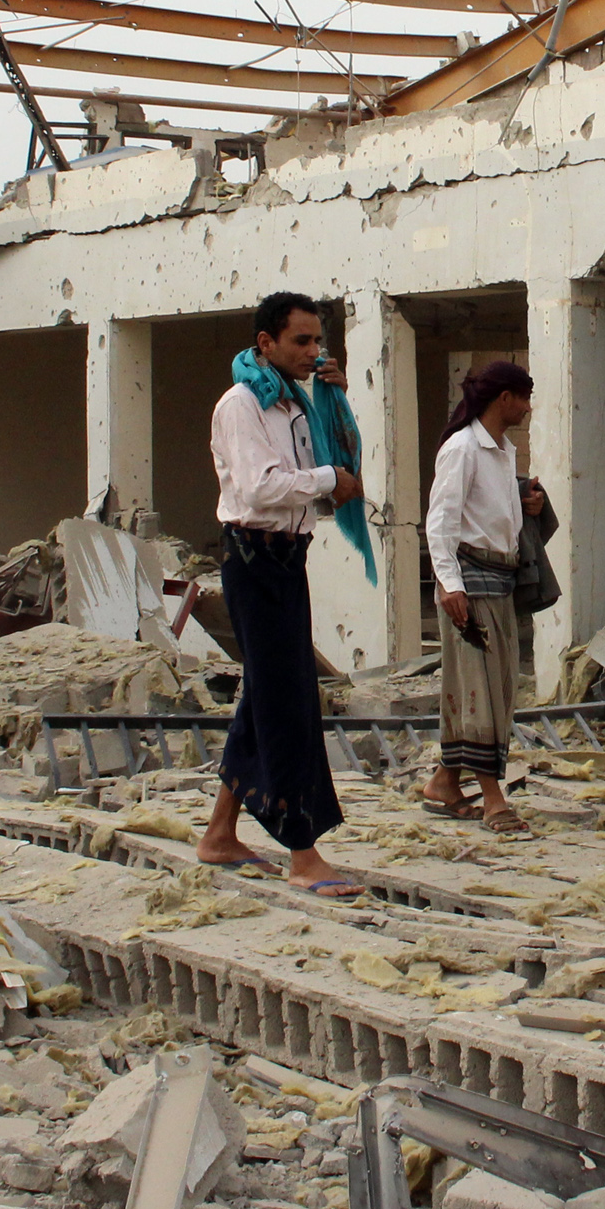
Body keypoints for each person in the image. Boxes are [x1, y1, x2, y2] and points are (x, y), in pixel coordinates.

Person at [195, 293, 365, 897]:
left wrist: (331, 402)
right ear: (265, 343)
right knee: (287, 708)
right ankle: (303, 851)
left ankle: (220, 834)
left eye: (317, 341)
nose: (312, 351)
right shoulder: (241, 405)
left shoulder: (292, 400)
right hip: (254, 560)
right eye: (300, 341)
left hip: (288, 559)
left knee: (263, 700)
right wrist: (325, 481)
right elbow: (262, 488)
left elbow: (316, 478)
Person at [423, 360, 547, 832]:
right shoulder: (461, 448)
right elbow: (441, 521)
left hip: (501, 584)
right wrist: (451, 585)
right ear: (504, 400)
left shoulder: (501, 450)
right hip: (469, 587)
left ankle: (444, 782)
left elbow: (492, 506)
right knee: (480, 695)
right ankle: (495, 800)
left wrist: (526, 499)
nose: (528, 408)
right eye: (524, 398)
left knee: (493, 690)